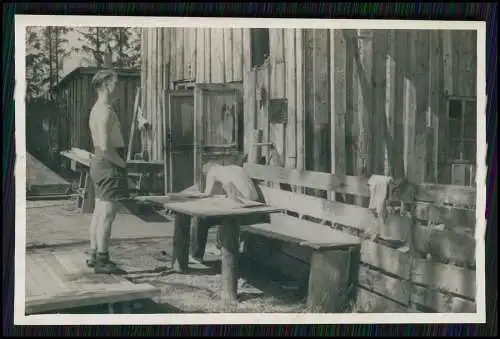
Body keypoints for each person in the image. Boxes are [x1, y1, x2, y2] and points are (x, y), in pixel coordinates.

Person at [189, 154, 269, 265]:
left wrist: (195, 196)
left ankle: (196, 256)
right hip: (256, 210)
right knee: (223, 214)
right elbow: (250, 195)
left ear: (206, 170)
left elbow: (207, 194)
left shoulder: (212, 171)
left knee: (199, 218)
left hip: (242, 211)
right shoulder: (238, 169)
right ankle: (220, 246)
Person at [85, 69, 129, 274]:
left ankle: (94, 254)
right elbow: (105, 146)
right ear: (105, 86)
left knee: (99, 211)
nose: (118, 87)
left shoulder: (98, 109)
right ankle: (103, 260)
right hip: (109, 163)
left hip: (100, 163)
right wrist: (122, 164)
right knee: (107, 215)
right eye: (116, 83)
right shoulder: (105, 111)